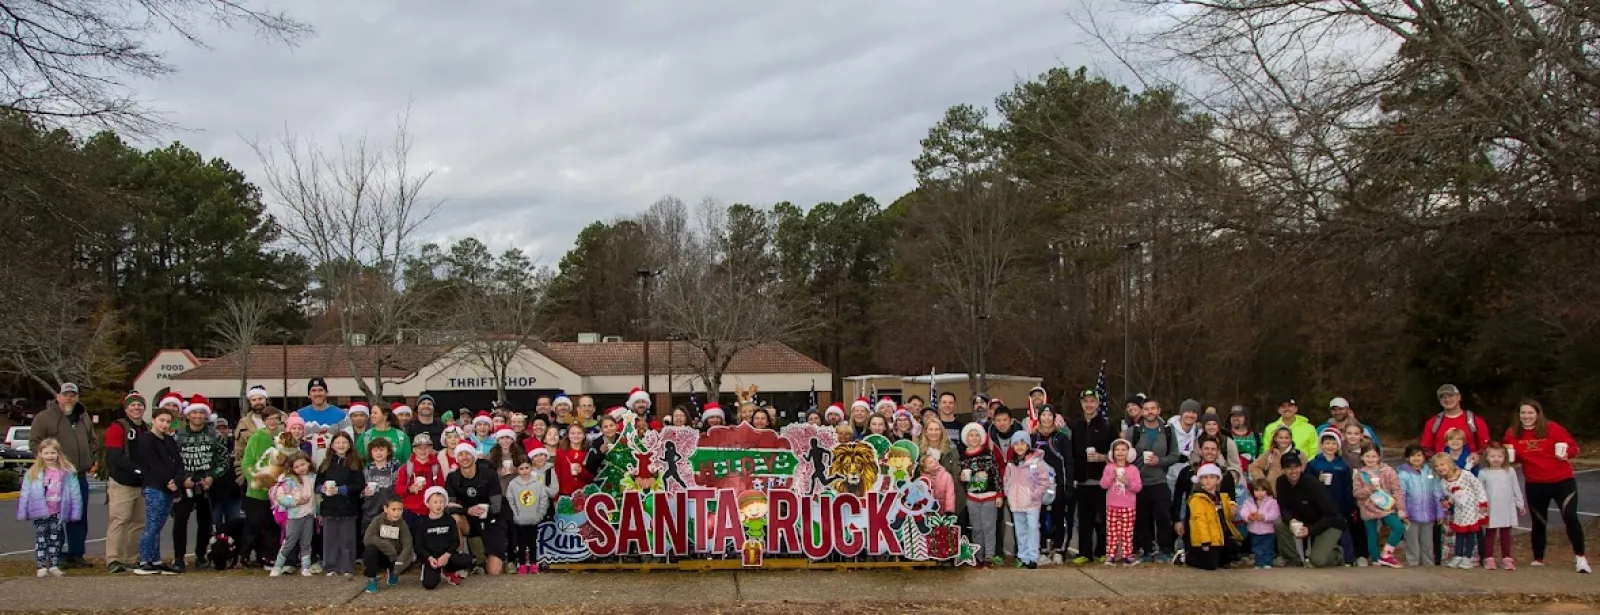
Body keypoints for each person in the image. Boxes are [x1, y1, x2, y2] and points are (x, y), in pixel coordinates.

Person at [1503, 399, 1589, 573]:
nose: (1526, 416)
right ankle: (1538, 559)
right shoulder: (1512, 433)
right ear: (1518, 415)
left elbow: (1573, 448)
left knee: (1570, 517)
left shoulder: (1552, 428)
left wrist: (1567, 454)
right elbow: (1512, 456)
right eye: (1523, 412)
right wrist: (1508, 458)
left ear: (1538, 414)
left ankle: (1580, 558)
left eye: (1530, 412)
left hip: (1562, 481)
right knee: (1538, 522)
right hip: (1535, 483)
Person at [28, 383, 99, 570]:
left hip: (79, 476)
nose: (69, 398)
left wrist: (92, 458)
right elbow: (34, 442)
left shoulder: (83, 417)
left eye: (72, 395)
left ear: (77, 397)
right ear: (58, 396)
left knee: (78, 517)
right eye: (65, 394)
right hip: (55, 478)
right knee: (56, 518)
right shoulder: (44, 417)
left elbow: (93, 440)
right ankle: (56, 555)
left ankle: (77, 555)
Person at [171, 394, 228, 572]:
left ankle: (201, 556)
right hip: (184, 484)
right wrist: (182, 479)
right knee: (180, 520)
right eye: (194, 412)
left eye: (201, 413)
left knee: (205, 522)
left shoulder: (215, 435)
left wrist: (212, 477)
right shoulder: (177, 435)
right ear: (188, 415)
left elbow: (224, 461)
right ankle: (178, 558)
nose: (197, 416)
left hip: (206, 484)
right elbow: (170, 461)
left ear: (206, 415)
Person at [17, 438, 84, 577]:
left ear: (58, 453)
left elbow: (75, 493)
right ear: (40, 454)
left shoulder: (67, 472)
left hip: (57, 512)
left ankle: (54, 565)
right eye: (46, 453)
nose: (49, 456)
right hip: (40, 512)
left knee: (55, 539)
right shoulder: (33, 472)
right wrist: (23, 511)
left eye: (53, 453)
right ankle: (41, 566)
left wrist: (75, 512)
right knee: (41, 539)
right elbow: (25, 492)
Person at [1125, 398, 1179, 562]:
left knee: (1163, 516)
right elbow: (1125, 455)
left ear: (1159, 410)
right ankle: (1147, 551)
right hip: (1139, 482)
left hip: (1160, 480)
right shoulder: (1133, 431)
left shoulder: (1168, 431)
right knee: (1142, 518)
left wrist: (1159, 461)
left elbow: (1175, 455)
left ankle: (1164, 550)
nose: (1150, 412)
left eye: (1153, 408)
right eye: (1146, 409)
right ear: (1142, 411)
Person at [133, 405, 183, 575]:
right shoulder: (147, 440)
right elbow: (151, 464)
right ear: (153, 420)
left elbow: (178, 463)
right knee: (152, 524)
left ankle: (155, 560)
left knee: (159, 524)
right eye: (161, 420)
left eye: (168, 421)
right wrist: (167, 481)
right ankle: (144, 560)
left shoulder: (169, 441)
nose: (164, 424)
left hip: (169, 488)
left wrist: (176, 481)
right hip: (155, 486)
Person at [1275, 451, 1346, 568]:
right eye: (1289, 468)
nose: (1293, 471)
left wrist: (1310, 529)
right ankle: (1293, 559)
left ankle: (1337, 554)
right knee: (1279, 523)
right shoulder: (1280, 482)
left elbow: (1332, 514)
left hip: (1329, 524)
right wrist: (1291, 520)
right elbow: (1284, 508)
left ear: (1301, 467)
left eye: (1296, 467)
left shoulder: (1312, 484)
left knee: (1317, 560)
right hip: (1304, 521)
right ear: (1282, 470)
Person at [103, 392, 149, 573]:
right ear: (126, 408)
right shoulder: (117, 428)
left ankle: (131, 558)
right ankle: (114, 559)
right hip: (122, 482)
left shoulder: (146, 428)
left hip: (142, 484)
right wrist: (136, 470)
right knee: (120, 520)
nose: (136, 408)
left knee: (138, 522)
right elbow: (115, 456)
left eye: (139, 405)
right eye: (133, 405)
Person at [445, 443, 507, 575]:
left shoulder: (489, 474)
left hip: (491, 521)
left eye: (467, 453)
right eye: (460, 454)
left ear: (474, 456)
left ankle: (495, 558)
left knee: (494, 571)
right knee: (454, 519)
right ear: (456, 458)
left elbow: (497, 505)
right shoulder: (452, 478)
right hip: (469, 521)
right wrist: (467, 511)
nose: (464, 457)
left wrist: (485, 510)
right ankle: (460, 561)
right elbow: (449, 508)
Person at [1069, 390, 1116, 564]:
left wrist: (1103, 457)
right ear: (1081, 404)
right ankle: (1084, 553)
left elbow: (1117, 451)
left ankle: (1102, 551)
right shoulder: (1076, 425)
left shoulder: (1107, 425)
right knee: (1083, 520)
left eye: (1092, 401)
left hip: (1102, 481)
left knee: (1102, 518)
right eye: (1086, 401)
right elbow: (1071, 452)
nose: (1089, 404)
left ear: (1097, 403)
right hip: (1082, 481)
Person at [238, 408, 285, 568]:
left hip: (277, 491)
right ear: (264, 420)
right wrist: (257, 479)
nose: (273, 421)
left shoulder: (282, 438)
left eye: (276, 418)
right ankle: (244, 556)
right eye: (269, 418)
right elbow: (247, 462)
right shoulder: (256, 438)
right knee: (253, 524)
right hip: (257, 491)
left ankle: (268, 557)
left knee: (273, 526)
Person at [1002, 432, 1053, 569]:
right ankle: (1023, 557)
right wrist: (1008, 493)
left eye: (1022, 443)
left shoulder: (1036, 463)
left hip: (1032, 503)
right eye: (1016, 444)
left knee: (1032, 529)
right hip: (1016, 503)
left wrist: (1034, 494)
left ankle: (1033, 557)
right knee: (1020, 531)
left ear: (1028, 445)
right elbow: (1006, 480)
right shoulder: (1011, 464)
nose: (1019, 447)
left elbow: (1044, 481)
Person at [1352, 443, 1407, 568]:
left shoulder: (1388, 471)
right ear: (1362, 457)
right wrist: (1370, 488)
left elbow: (1397, 490)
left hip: (1386, 506)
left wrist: (1400, 508)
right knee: (1371, 535)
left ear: (1379, 457)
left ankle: (1386, 554)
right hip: (1367, 508)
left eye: (1373, 456)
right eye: (1367, 456)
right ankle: (1376, 560)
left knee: (1399, 527)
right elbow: (1356, 493)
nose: (1370, 459)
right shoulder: (1359, 474)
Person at [319, 432, 366, 577]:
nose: (341, 445)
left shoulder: (355, 463)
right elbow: (317, 484)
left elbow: (359, 484)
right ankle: (330, 567)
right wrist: (323, 489)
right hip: (329, 507)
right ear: (332, 445)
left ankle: (346, 567)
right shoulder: (326, 463)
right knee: (330, 539)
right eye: (338, 442)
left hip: (348, 507)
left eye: (344, 442)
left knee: (347, 539)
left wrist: (341, 490)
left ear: (349, 445)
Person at [1307, 430, 1358, 565]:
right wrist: (1317, 480)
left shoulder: (1343, 465)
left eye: (1334, 443)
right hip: (1319, 507)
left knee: (1344, 532)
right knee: (1318, 531)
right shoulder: (1313, 464)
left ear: (1338, 445)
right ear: (1321, 445)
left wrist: (1348, 507)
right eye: (1327, 443)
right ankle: (1312, 556)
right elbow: (1307, 484)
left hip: (1339, 506)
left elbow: (1348, 487)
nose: (1330, 446)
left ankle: (1349, 559)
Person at [1031, 405, 1073, 564]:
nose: (1047, 418)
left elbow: (1068, 462)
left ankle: (1058, 549)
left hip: (1057, 484)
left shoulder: (1061, 438)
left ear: (1054, 418)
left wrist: (1069, 484)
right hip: (1038, 485)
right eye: (1044, 415)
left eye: (1050, 415)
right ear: (1039, 417)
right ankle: (1041, 548)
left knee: (1059, 516)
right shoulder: (1033, 438)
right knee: (1039, 518)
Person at [507, 447, 558, 574]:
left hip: (534, 518)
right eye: (521, 468)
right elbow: (510, 500)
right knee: (521, 543)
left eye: (527, 468)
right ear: (517, 469)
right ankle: (522, 564)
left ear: (531, 467)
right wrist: (516, 515)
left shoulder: (538, 483)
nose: (525, 471)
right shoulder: (513, 484)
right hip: (520, 519)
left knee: (533, 542)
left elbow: (543, 499)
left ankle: (534, 564)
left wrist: (540, 514)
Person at [958, 423, 1003, 567]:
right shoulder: (963, 457)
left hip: (989, 496)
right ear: (966, 438)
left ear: (982, 437)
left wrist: (999, 494)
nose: (974, 438)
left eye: (977, 435)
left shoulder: (988, 454)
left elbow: (996, 474)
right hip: (972, 498)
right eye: (971, 435)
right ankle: (978, 555)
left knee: (989, 527)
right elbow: (962, 480)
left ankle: (989, 556)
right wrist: (962, 479)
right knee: (976, 528)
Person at [1182, 464, 1241, 570]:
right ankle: (1186, 558)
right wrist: (1205, 542)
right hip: (1205, 539)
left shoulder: (1222, 498)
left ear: (1218, 480)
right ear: (1200, 480)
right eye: (1204, 477)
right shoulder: (1197, 499)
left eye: (1212, 477)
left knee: (1230, 553)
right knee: (1210, 565)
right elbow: (1200, 521)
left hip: (1219, 537)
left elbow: (1227, 519)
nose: (1208, 480)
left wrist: (1231, 510)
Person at [1436, 452, 1488, 569]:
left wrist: (1482, 502)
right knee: (1459, 533)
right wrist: (1448, 503)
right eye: (1437, 466)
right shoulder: (1444, 482)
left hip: (1472, 509)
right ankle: (1458, 555)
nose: (1440, 468)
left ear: (1450, 464)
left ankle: (1468, 557)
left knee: (1470, 534)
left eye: (1442, 464)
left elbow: (1478, 487)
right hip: (1460, 511)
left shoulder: (1465, 475)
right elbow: (1450, 496)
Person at [415, 486, 474, 589]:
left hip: (447, 556)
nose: (439, 505)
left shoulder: (450, 520)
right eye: (435, 502)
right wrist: (429, 558)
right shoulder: (421, 521)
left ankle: (448, 570)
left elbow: (455, 541)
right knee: (429, 585)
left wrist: (447, 555)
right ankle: (430, 569)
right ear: (428, 503)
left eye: (441, 502)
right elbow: (418, 545)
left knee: (468, 560)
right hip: (431, 558)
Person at [1477, 443, 1525, 570]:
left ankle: (1506, 558)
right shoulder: (1483, 473)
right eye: (1492, 456)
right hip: (1491, 508)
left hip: (1506, 507)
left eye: (1499, 456)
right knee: (1490, 533)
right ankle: (1489, 558)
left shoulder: (1509, 471)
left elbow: (1516, 487)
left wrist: (1520, 503)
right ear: (1486, 457)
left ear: (1505, 458)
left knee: (1506, 534)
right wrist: (1480, 505)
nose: (1496, 459)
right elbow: (1479, 490)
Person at [270, 452, 317, 576]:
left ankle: (305, 567)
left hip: (309, 515)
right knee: (289, 542)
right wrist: (296, 502)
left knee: (306, 542)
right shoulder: (289, 481)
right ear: (292, 469)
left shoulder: (314, 477)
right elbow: (280, 498)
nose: (301, 468)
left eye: (303, 464)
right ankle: (277, 566)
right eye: (296, 467)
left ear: (308, 463)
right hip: (294, 516)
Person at [1397, 444, 1444, 567]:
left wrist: (1439, 512)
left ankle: (1428, 564)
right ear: (1407, 458)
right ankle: (1413, 563)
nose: (1416, 458)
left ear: (1424, 457)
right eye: (1412, 456)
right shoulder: (1403, 474)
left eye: (1419, 455)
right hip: (1411, 515)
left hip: (1429, 514)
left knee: (1427, 542)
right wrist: (1402, 511)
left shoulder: (1430, 472)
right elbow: (1401, 494)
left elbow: (1437, 491)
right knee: (1412, 542)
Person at [1099, 438, 1142, 566]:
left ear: (1129, 452)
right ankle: (1110, 556)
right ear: (1112, 453)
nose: (1120, 452)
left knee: (1127, 532)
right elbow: (1103, 485)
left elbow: (1138, 487)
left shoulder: (1133, 469)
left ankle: (1127, 556)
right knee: (1112, 532)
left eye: (1123, 449)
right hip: (1112, 505)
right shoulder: (1109, 468)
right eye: (1117, 450)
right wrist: (1111, 477)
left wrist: (1128, 482)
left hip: (1128, 506)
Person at [396, 434, 447, 537]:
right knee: (411, 538)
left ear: (431, 449)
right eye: (419, 448)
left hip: (431, 511)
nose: (423, 451)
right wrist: (409, 489)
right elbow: (398, 490)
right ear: (414, 449)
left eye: (426, 447)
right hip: (411, 511)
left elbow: (441, 487)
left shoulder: (436, 467)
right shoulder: (406, 468)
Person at [1420, 384, 1491, 459]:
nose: (1447, 400)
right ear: (1439, 400)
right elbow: (1426, 449)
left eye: (1451, 396)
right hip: (1442, 465)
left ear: (1459, 397)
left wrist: (1478, 455)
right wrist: (1436, 460)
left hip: (1470, 465)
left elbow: (1486, 447)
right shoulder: (1433, 423)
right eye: (1443, 397)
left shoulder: (1475, 421)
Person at [294, 378, 349, 467]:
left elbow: (348, 441)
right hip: (305, 467)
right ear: (309, 395)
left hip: (333, 465)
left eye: (320, 390)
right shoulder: (299, 415)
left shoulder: (341, 415)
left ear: (326, 393)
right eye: (313, 391)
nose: (317, 394)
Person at [361, 437, 401, 559]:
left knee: (389, 541)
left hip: (389, 512)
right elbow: (360, 490)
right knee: (370, 540)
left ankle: (389, 562)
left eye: (382, 450)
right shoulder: (367, 469)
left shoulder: (395, 468)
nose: (379, 453)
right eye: (375, 450)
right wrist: (364, 492)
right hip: (370, 511)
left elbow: (399, 489)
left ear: (388, 452)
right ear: (371, 453)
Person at [362, 497, 411, 593]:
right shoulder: (378, 520)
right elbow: (367, 538)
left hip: (395, 557)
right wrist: (387, 546)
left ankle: (394, 573)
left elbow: (407, 545)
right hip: (382, 555)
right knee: (369, 550)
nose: (397, 513)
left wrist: (399, 563)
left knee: (409, 554)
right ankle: (371, 579)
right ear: (385, 509)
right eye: (394, 509)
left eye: (400, 510)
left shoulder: (403, 524)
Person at [1237, 479, 1279, 568]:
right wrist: (1248, 517)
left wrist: (1264, 517)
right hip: (1254, 531)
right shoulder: (1248, 502)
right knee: (1256, 548)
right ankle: (1259, 563)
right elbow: (1243, 512)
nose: (1259, 493)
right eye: (1256, 490)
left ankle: (1267, 563)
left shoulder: (1272, 502)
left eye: (1262, 490)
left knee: (1268, 548)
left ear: (1267, 490)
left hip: (1268, 532)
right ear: (1253, 491)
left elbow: (1275, 514)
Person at [1250, 427, 1296, 496]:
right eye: (1281, 438)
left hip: (1291, 493)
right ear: (1275, 438)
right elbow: (1254, 466)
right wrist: (1263, 482)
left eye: (1286, 438)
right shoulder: (1269, 453)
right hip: (1272, 494)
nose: (1283, 440)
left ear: (1291, 439)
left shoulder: (1298, 454)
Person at [920, 449, 956, 514]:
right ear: (926, 469)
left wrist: (949, 510)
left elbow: (950, 495)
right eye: (931, 462)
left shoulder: (947, 476)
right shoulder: (923, 480)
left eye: (935, 459)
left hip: (944, 511)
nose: (935, 462)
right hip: (929, 512)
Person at [1227, 406, 1261, 472]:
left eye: (1239, 416)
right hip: (1232, 474)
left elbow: (1261, 457)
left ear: (1246, 418)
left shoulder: (1256, 436)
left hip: (1252, 474)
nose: (1236, 418)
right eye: (1233, 416)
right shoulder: (1224, 435)